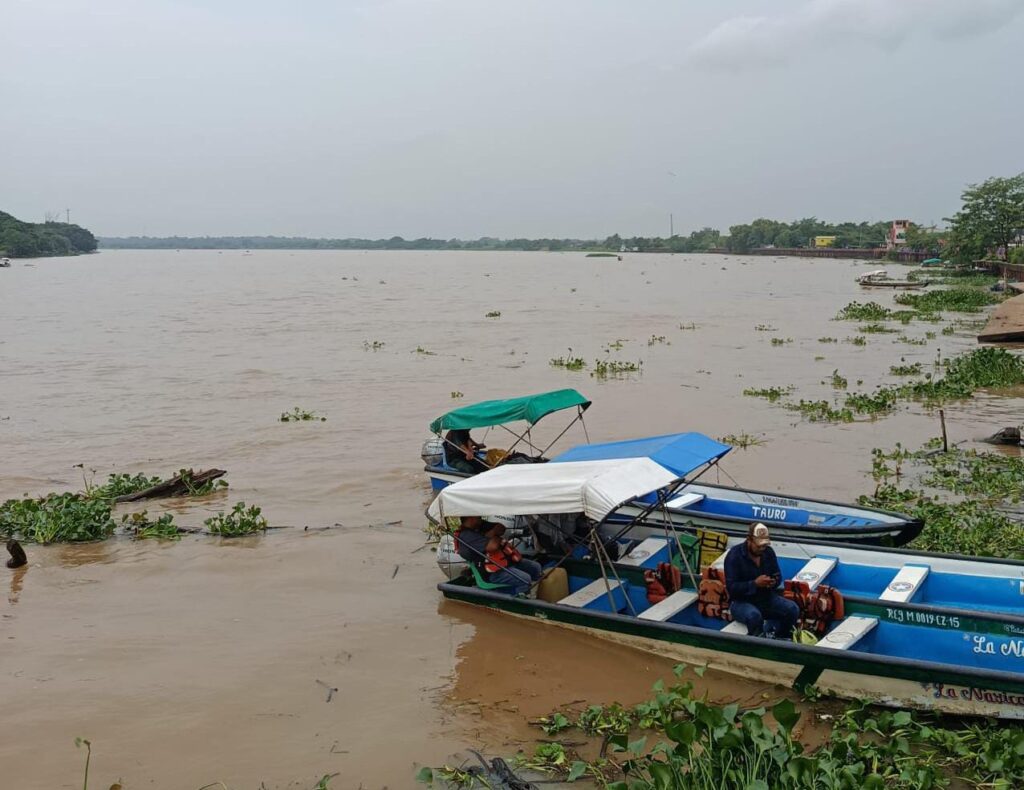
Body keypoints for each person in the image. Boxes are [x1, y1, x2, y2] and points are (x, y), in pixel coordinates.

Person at [723, 523, 799, 639]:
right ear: (749, 539)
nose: (761, 549)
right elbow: (732, 588)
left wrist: (773, 582)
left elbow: (777, 575)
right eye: (758, 546)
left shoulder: (768, 552)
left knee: (792, 609)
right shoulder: (734, 556)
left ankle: (781, 637)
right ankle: (758, 643)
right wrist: (754, 584)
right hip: (741, 602)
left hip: (766, 598)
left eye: (764, 546)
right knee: (754, 616)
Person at [455, 516, 542, 595]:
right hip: (490, 572)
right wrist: (494, 534)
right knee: (525, 579)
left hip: (504, 561)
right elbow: (494, 546)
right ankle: (519, 598)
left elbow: (501, 528)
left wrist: (491, 534)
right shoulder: (466, 536)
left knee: (536, 567)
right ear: (471, 518)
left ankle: (537, 592)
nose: (480, 516)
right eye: (478, 516)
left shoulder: (480, 524)